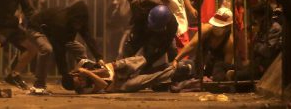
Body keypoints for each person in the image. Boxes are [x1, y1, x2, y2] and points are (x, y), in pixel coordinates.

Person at [28, 1, 103, 92]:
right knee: (47, 49)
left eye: (80, 23)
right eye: (76, 22)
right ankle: (39, 85)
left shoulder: (80, 20)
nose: (78, 26)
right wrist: (65, 74)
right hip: (36, 28)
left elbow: (88, 37)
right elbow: (59, 51)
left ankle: (83, 77)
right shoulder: (61, 22)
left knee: (80, 49)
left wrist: (99, 57)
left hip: (56, 34)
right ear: (72, 18)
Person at [61, 56, 193, 94]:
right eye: (78, 83)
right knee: (148, 80)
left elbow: (105, 70)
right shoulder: (82, 90)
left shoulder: (82, 65)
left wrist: (87, 71)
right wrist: (88, 73)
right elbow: (103, 84)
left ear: (73, 74)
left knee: (144, 59)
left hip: (116, 68)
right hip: (118, 85)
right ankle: (177, 69)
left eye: (78, 78)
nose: (81, 80)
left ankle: (165, 64)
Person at [172, 7, 234, 81]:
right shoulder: (205, 30)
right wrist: (176, 59)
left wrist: (216, 78)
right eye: (215, 25)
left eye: (220, 26)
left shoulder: (229, 42)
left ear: (227, 27)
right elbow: (191, 45)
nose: (216, 28)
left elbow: (225, 66)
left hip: (215, 71)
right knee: (181, 68)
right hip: (199, 64)